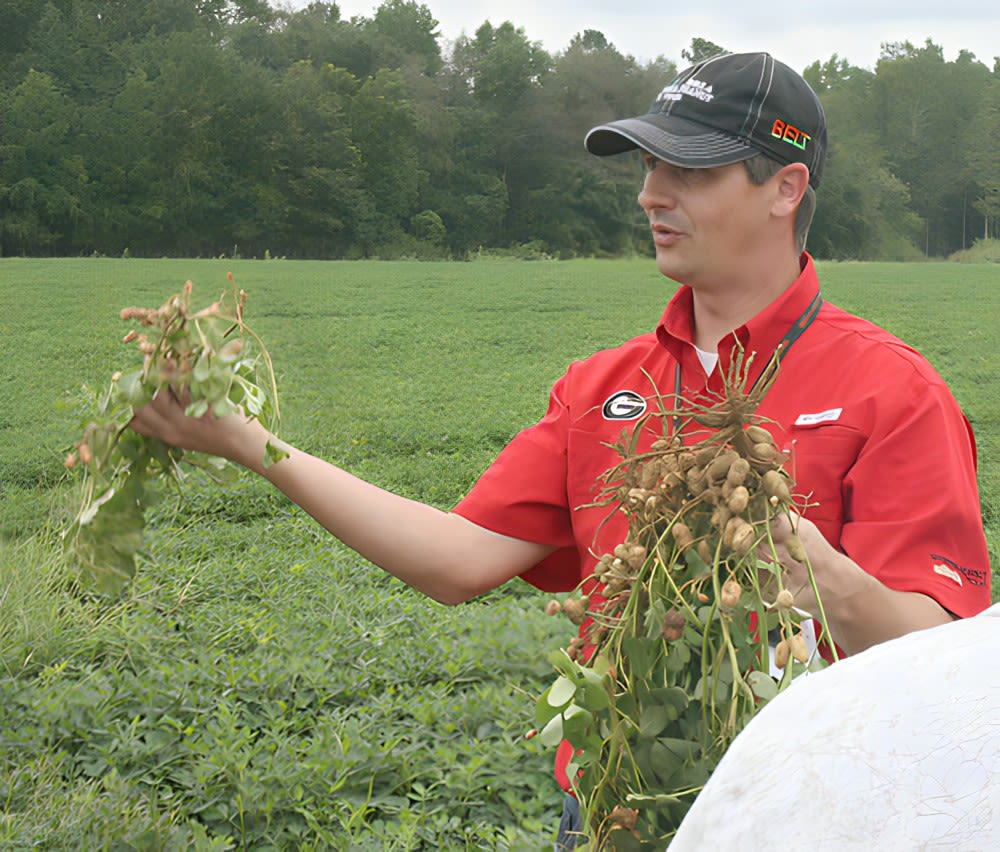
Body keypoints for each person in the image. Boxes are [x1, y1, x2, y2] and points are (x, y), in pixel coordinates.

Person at [130, 51, 992, 850]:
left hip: (798, 813)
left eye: (688, 170)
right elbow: (455, 561)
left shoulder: (893, 391)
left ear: (785, 186)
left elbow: (938, 657)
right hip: (608, 805)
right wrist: (249, 444)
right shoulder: (601, 387)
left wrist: (826, 579)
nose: (652, 195)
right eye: (649, 167)